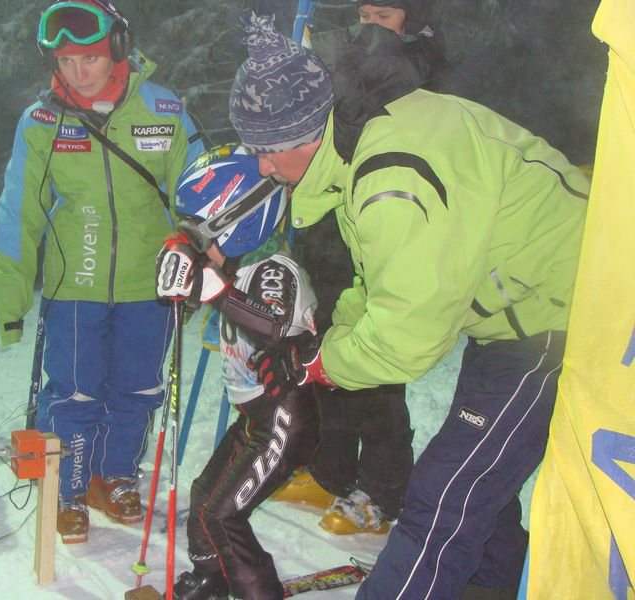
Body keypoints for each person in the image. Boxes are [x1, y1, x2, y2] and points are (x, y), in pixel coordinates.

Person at [229, 13, 588, 600]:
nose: (264, 167)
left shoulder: (392, 174)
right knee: (474, 483)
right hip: (516, 316)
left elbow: (404, 339)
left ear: (307, 131)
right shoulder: (363, 138)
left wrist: (316, 364)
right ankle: (487, 588)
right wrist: (321, 338)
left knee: (445, 495)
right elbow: (381, 285)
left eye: (268, 150)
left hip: (561, 317)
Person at [0, 0, 205, 544]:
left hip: (149, 288)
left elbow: (199, 193)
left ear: (117, 49)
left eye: (88, 58)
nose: (77, 72)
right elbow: (20, 212)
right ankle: (68, 488)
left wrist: (196, 254)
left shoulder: (164, 109)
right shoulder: (41, 121)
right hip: (74, 289)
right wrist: (11, 299)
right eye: (64, 61)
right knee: (74, 394)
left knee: (138, 389)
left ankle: (115, 477)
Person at [273, 0, 446, 537]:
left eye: (384, 17)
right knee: (326, 354)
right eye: (366, 16)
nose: (371, 28)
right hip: (330, 230)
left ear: (413, 20)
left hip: (382, 226)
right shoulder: (342, 57)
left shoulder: (427, 65)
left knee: (375, 367)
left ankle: (383, 489)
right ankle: (332, 471)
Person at [155, 146, 319, 600]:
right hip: (254, 419)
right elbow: (203, 291)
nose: (196, 246)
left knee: (222, 516)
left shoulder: (273, 269)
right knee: (205, 496)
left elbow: (274, 324)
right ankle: (212, 578)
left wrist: (214, 289)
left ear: (241, 224)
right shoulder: (236, 267)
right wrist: (183, 278)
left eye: (200, 233)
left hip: (285, 420)